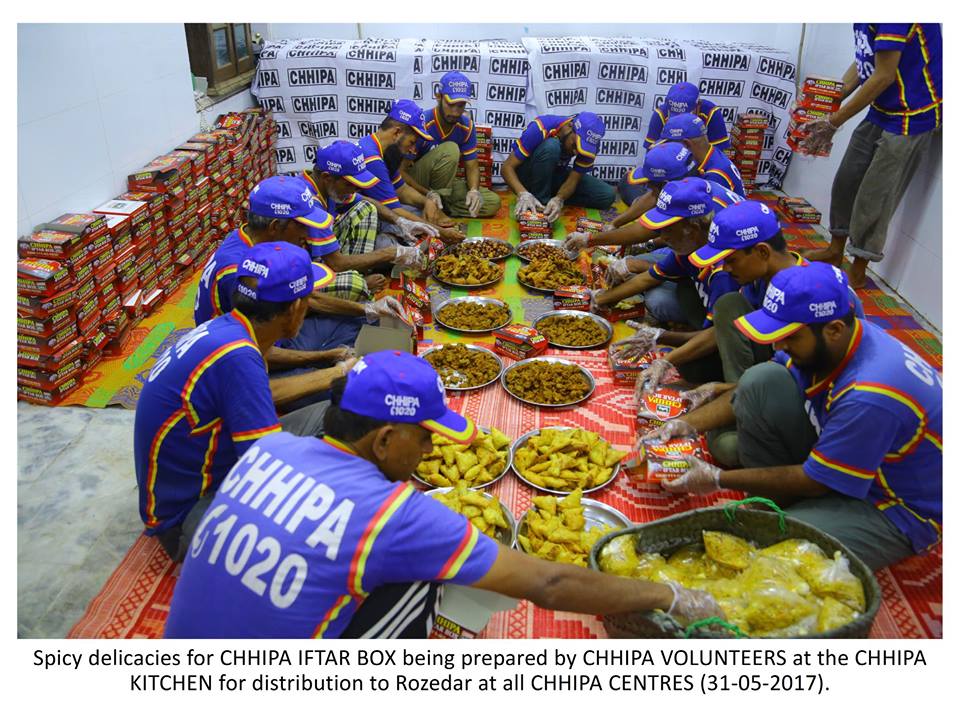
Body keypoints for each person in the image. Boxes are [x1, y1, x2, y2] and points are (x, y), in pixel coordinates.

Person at [164, 350, 722, 638]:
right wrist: (666, 596)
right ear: (384, 439)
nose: (431, 447)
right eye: (425, 434)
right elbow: (548, 582)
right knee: (428, 580)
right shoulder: (394, 515)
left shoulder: (270, 449)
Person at [649, 262, 941, 571]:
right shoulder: (844, 334)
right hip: (857, 462)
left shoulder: (872, 393)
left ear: (834, 330)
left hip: (892, 506)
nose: (779, 344)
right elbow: (757, 387)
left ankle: (802, 518)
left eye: (789, 336)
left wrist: (716, 479)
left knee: (766, 553)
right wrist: (682, 424)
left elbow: (815, 480)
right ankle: (779, 504)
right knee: (760, 380)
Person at [135, 242, 355, 562]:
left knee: (331, 412)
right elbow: (264, 469)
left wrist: (335, 373)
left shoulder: (228, 329)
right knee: (317, 523)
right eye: (308, 301)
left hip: (182, 495)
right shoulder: (237, 357)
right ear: (295, 309)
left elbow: (261, 398)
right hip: (185, 521)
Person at [193, 175, 403, 402]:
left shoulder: (252, 240)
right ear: (275, 227)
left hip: (273, 337)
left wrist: (368, 309)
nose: (307, 235)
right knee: (345, 391)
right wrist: (326, 357)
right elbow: (259, 350)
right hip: (253, 363)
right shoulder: (243, 273)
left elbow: (309, 299)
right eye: (301, 226)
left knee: (365, 320)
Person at [799, 23, 942, 289]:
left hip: (911, 115)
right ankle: (835, 250)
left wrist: (834, 121)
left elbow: (884, 75)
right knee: (846, 180)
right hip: (882, 106)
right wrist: (827, 100)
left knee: (875, 196)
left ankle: (858, 269)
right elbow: (866, 60)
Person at [593, 178, 742, 340]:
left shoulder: (723, 271)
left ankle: (693, 327)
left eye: (668, 229)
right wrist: (599, 299)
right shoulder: (692, 244)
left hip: (723, 334)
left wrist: (661, 336)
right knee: (659, 288)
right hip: (706, 307)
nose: (662, 237)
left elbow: (715, 338)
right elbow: (650, 277)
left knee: (659, 301)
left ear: (692, 230)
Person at [301, 140, 423, 301]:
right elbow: (336, 264)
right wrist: (389, 253)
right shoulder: (311, 207)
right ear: (327, 177)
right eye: (350, 185)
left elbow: (367, 201)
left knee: (366, 208)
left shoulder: (326, 186)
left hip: (322, 256)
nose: (355, 190)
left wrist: (401, 221)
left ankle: (358, 273)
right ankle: (358, 281)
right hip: (301, 277)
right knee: (355, 285)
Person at [357, 99, 464, 244]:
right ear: (397, 133)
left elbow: (402, 189)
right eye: (412, 142)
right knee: (407, 240)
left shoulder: (383, 150)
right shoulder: (372, 158)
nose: (413, 150)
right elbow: (394, 212)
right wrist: (440, 232)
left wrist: (427, 201)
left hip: (383, 213)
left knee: (422, 214)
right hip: (362, 224)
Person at [400, 72, 501, 218]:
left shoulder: (466, 126)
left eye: (461, 106)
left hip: (444, 187)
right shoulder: (422, 123)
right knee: (451, 149)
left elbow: (472, 166)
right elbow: (400, 173)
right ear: (439, 97)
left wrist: (474, 191)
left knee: (492, 202)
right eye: (450, 104)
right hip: (415, 183)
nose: (455, 112)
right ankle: (429, 204)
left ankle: (438, 206)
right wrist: (427, 193)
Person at [502, 112, 614, 223]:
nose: (576, 152)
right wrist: (523, 194)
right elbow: (506, 168)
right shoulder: (541, 127)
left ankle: (550, 200)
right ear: (569, 127)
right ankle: (539, 204)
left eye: (582, 149)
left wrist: (559, 199)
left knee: (606, 195)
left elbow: (574, 179)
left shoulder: (591, 145)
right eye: (575, 145)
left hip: (555, 175)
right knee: (551, 147)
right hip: (528, 177)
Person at [658, 113, 745, 197]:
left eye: (670, 145)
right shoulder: (709, 154)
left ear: (686, 144)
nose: (668, 150)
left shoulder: (715, 176)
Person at [645, 81, 731, 151]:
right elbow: (650, 152)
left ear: (698, 105)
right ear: (667, 105)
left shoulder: (711, 113)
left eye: (685, 114)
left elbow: (718, 152)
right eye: (675, 114)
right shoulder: (660, 114)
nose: (680, 120)